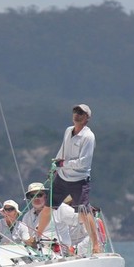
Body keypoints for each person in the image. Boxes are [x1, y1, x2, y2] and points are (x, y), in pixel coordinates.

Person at [34, 103, 102, 253]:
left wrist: (64, 163)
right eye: (75, 111)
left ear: (87, 118)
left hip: (79, 180)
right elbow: (62, 151)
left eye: (81, 113)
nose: (77, 114)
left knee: (84, 212)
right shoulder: (68, 131)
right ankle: (36, 238)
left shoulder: (88, 136)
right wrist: (55, 166)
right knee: (47, 207)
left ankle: (96, 245)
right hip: (63, 177)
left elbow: (84, 162)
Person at [23, 181, 79, 252]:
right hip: (36, 254)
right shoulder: (27, 216)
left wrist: (76, 247)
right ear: (29, 198)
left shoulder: (59, 208)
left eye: (39, 195)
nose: (36, 198)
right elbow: (25, 237)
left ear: (45, 196)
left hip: (60, 253)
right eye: (32, 196)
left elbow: (80, 221)